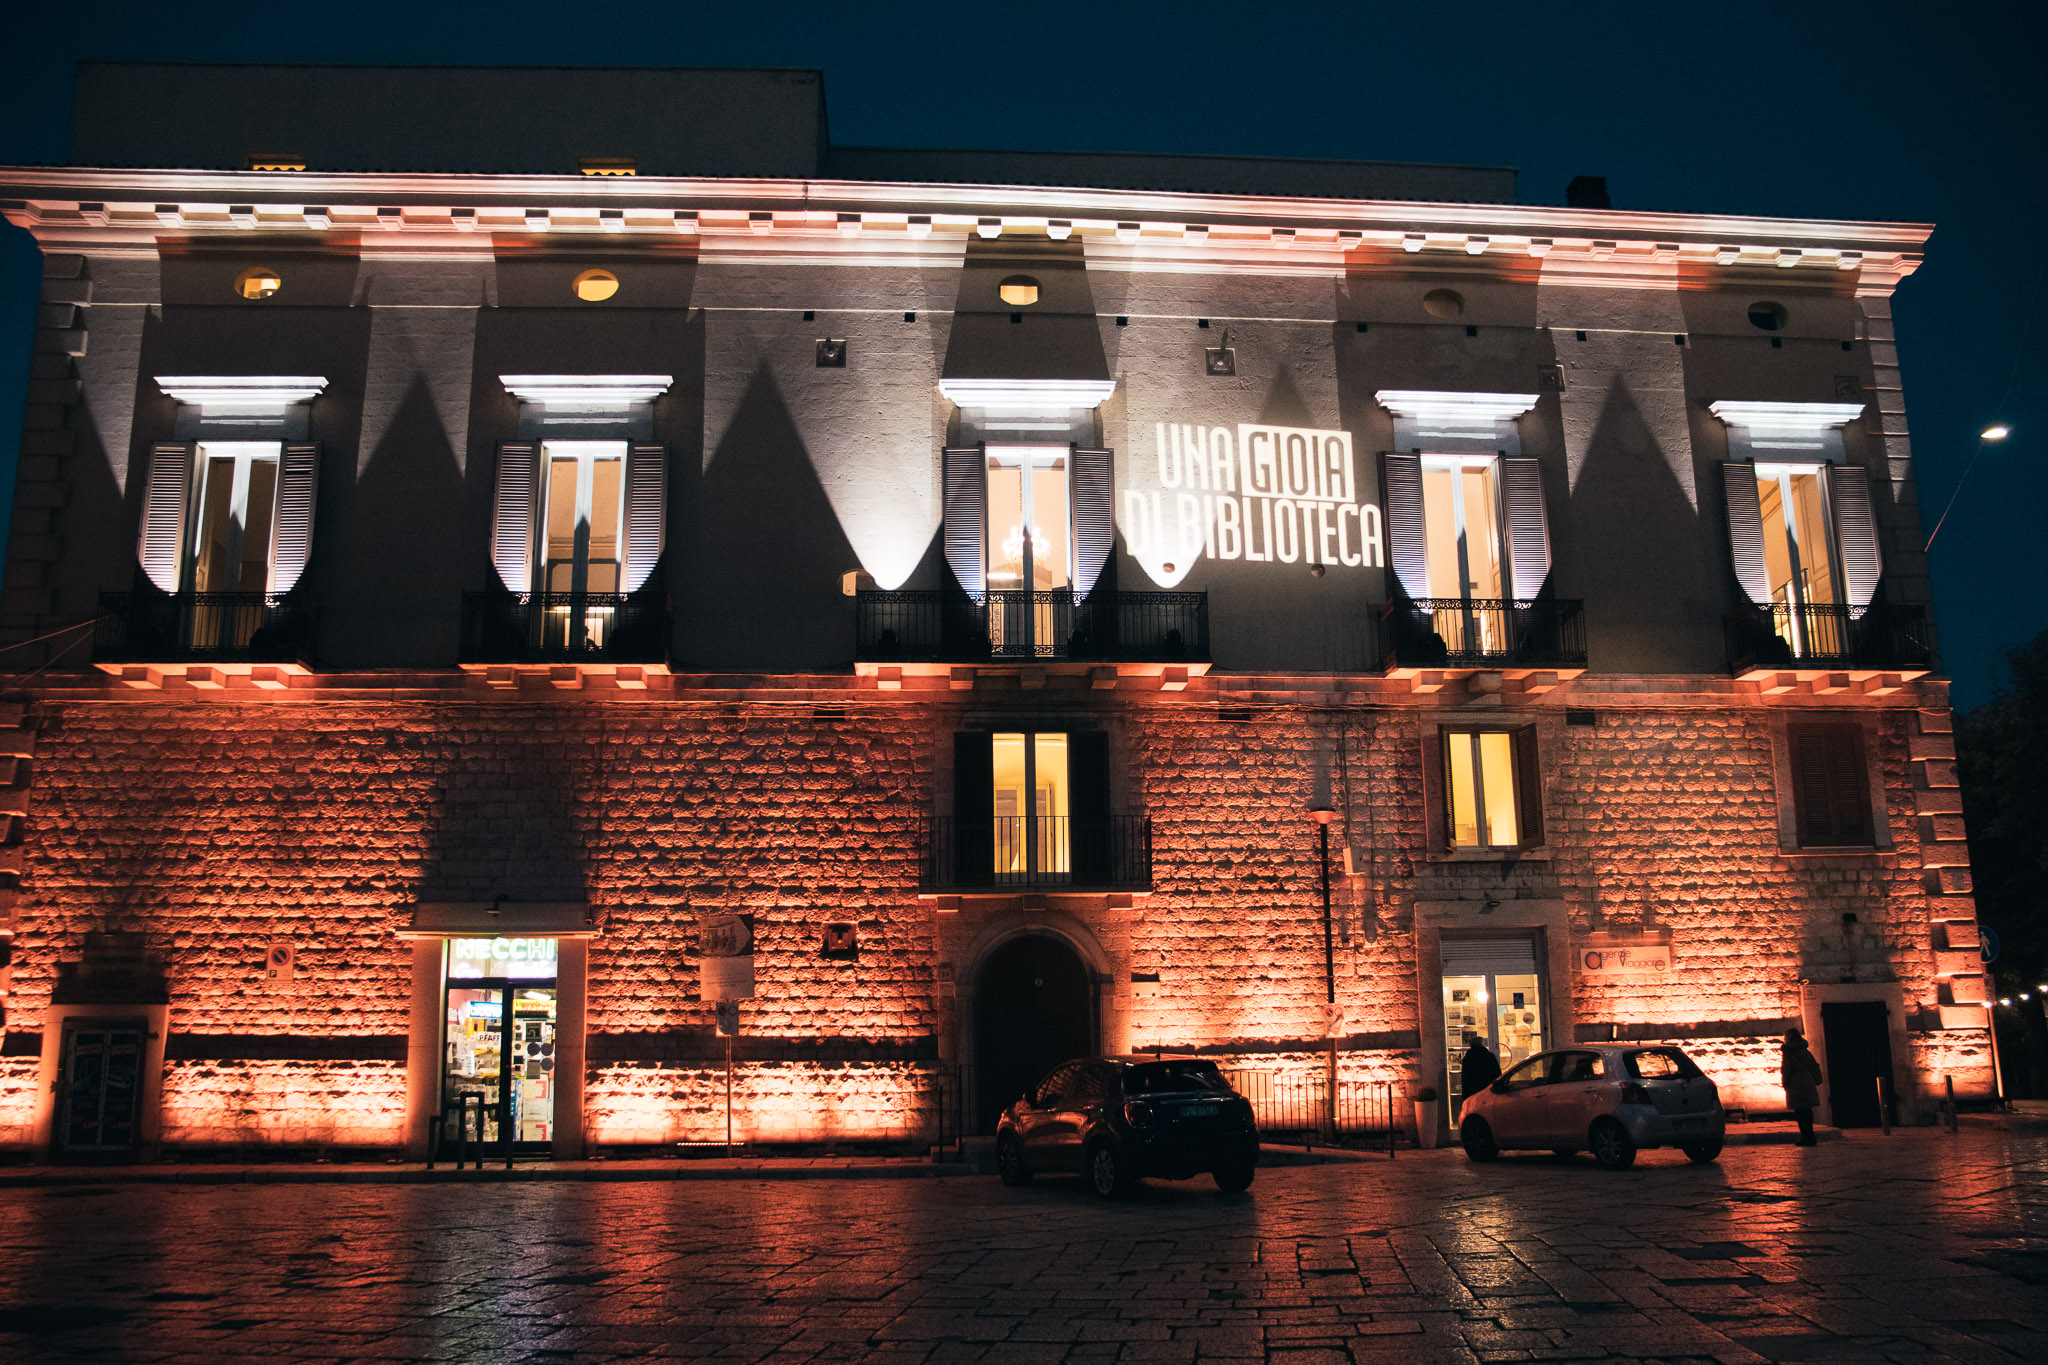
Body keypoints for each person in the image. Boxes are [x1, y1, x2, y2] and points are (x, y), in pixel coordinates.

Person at [1781, 1027, 1825, 1146]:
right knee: (1807, 1111)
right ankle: (1811, 1136)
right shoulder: (1805, 1051)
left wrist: (1785, 1083)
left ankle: (1805, 1138)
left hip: (1796, 1083)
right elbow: (1813, 1065)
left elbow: (1786, 1069)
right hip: (1807, 1081)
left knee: (1800, 1113)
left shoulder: (1788, 1052)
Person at [1460, 1030, 1502, 1112]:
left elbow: (1465, 1078)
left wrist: (1465, 1095)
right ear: (1481, 1044)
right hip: (1487, 1089)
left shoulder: (1468, 1059)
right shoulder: (1489, 1056)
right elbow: (1497, 1073)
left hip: (1472, 1090)